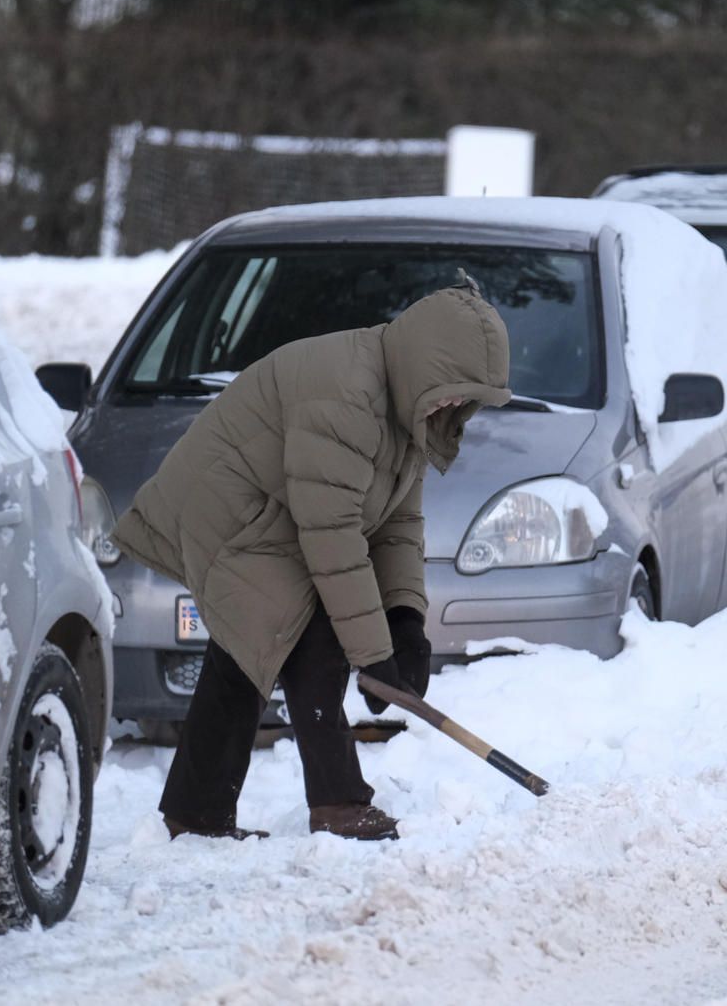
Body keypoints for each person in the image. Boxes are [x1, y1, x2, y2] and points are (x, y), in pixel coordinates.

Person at [111, 277, 512, 840]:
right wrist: (373, 656)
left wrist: (405, 621)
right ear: (424, 365)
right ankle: (339, 803)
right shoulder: (346, 393)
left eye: (464, 399)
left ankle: (195, 813)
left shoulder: (407, 409)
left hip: (281, 514)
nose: (452, 405)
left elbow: (398, 525)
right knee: (311, 638)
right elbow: (333, 539)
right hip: (234, 512)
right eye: (449, 389)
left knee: (243, 655)